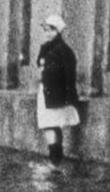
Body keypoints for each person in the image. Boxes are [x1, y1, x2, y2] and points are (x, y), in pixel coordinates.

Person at [35, 13, 81, 166]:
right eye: (46, 30)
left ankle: (54, 160)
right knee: (52, 125)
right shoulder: (48, 48)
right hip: (48, 92)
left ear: (58, 32)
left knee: (49, 125)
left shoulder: (61, 51)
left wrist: (68, 95)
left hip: (54, 93)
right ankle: (56, 160)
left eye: (51, 30)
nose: (48, 34)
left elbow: (67, 75)